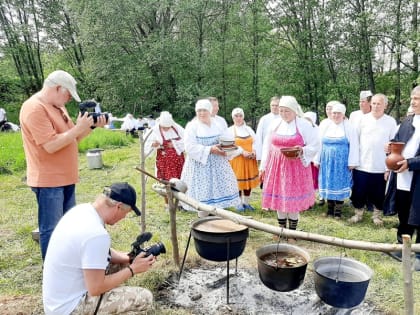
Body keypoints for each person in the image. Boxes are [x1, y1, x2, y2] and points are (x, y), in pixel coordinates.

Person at [19, 70, 106, 260]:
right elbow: (50, 145)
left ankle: (66, 264)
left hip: (66, 177)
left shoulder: (57, 106)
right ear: (58, 88)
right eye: (68, 94)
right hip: (49, 181)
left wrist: (90, 127)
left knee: (68, 226)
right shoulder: (34, 108)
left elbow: (72, 139)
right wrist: (78, 128)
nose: (68, 100)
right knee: (52, 229)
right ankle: (52, 271)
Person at [42, 182, 155, 314]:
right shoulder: (96, 234)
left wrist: (128, 258)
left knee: (122, 265)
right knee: (144, 298)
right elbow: (95, 288)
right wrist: (132, 269)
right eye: (126, 213)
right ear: (118, 207)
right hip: (70, 308)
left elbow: (96, 252)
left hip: (57, 302)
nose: (124, 218)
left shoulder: (82, 211)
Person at [259, 96, 319, 237]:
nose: (284, 114)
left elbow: (315, 144)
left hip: (295, 167)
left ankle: (292, 233)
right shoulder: (275, 124)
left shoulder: (303, 125)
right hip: (276, 166)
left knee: (292, 198)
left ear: (294, 111)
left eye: (287, 111)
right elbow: (267, 145)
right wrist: (263, 166)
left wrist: (302, 150)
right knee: (280, 198)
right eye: (281, 111)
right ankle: (280, 230)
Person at [181, 99, 241, 217]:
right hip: (200, 167)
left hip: (218, 165)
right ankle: (203, 223)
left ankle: (215, 222)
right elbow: (189, 147)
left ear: (209, 111)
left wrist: (226, 150)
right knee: (202, 198)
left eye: (204, 110)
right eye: (199, 111)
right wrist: (209, 149)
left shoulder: (217, 124)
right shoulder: (192, 126)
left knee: (217, 197)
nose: (202, 113)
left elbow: (227, 139)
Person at [384, 86, 420, 269]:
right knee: (404, 211)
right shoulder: (407, 121)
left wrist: (411, 163)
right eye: (412, 98)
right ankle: (401, 247)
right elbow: (397, 142)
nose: (413, 102)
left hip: (418, 179)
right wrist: (390, 149)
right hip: (402, 177)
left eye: (417, 99)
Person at [349, 94, 397, 225]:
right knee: (359, 191)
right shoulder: (362, 120)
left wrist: (388, 168)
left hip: (380, 165)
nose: (376, 106)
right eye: (374, 103)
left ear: (385, 106)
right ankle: (358, 213)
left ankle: (377, 216)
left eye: (379, 104)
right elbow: (355, 142)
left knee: (379, 192)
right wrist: (353, 161)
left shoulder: (390, 122)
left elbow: (393, 145)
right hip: (362, 164)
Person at [314, 102, 359, 218]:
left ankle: (338, 211)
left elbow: (354, 145)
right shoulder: (325, 124)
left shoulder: (349, 126)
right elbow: (319, 143)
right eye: (334, 113)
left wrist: (352, 162)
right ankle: (329, 210)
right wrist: (317, 159)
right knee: (328, 182)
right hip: (327, 161)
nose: (335, 115)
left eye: (338, 113)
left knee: (339, 184)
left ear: (343, 115)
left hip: (341, 162)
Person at [146, 111, 185, 210]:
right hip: (165, 161)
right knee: (166, 181)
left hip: (178, 161)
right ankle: (168, 204)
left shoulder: (176, 128)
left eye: (168, 127)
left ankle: (180, 202)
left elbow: (186, 139)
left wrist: (175, 144)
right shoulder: (155, 130)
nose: (167, 129)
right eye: (165, 127)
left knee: (179, 179)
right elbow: (147, 142)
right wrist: (154, 144)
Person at [226, 107, 260, 211]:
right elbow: (228, 146)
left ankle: (246, 203)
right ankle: (238, 204)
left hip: (249, 160)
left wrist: (254, 151)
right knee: (238, 183)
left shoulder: (248, 129)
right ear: (233, 118)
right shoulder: (230, 131)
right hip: (237, 160)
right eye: (236, 116)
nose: (238, 118)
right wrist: (241, 152)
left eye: (240, 115)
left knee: (248, 183)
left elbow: (255, 141)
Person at [255, 96, 281, 161]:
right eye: (272, 105)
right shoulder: (264, 119)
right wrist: (259, 155)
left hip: (280, 151)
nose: (274, 107)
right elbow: (259, 137)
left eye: (276, 105)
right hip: (267, 151)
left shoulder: (284, 118)